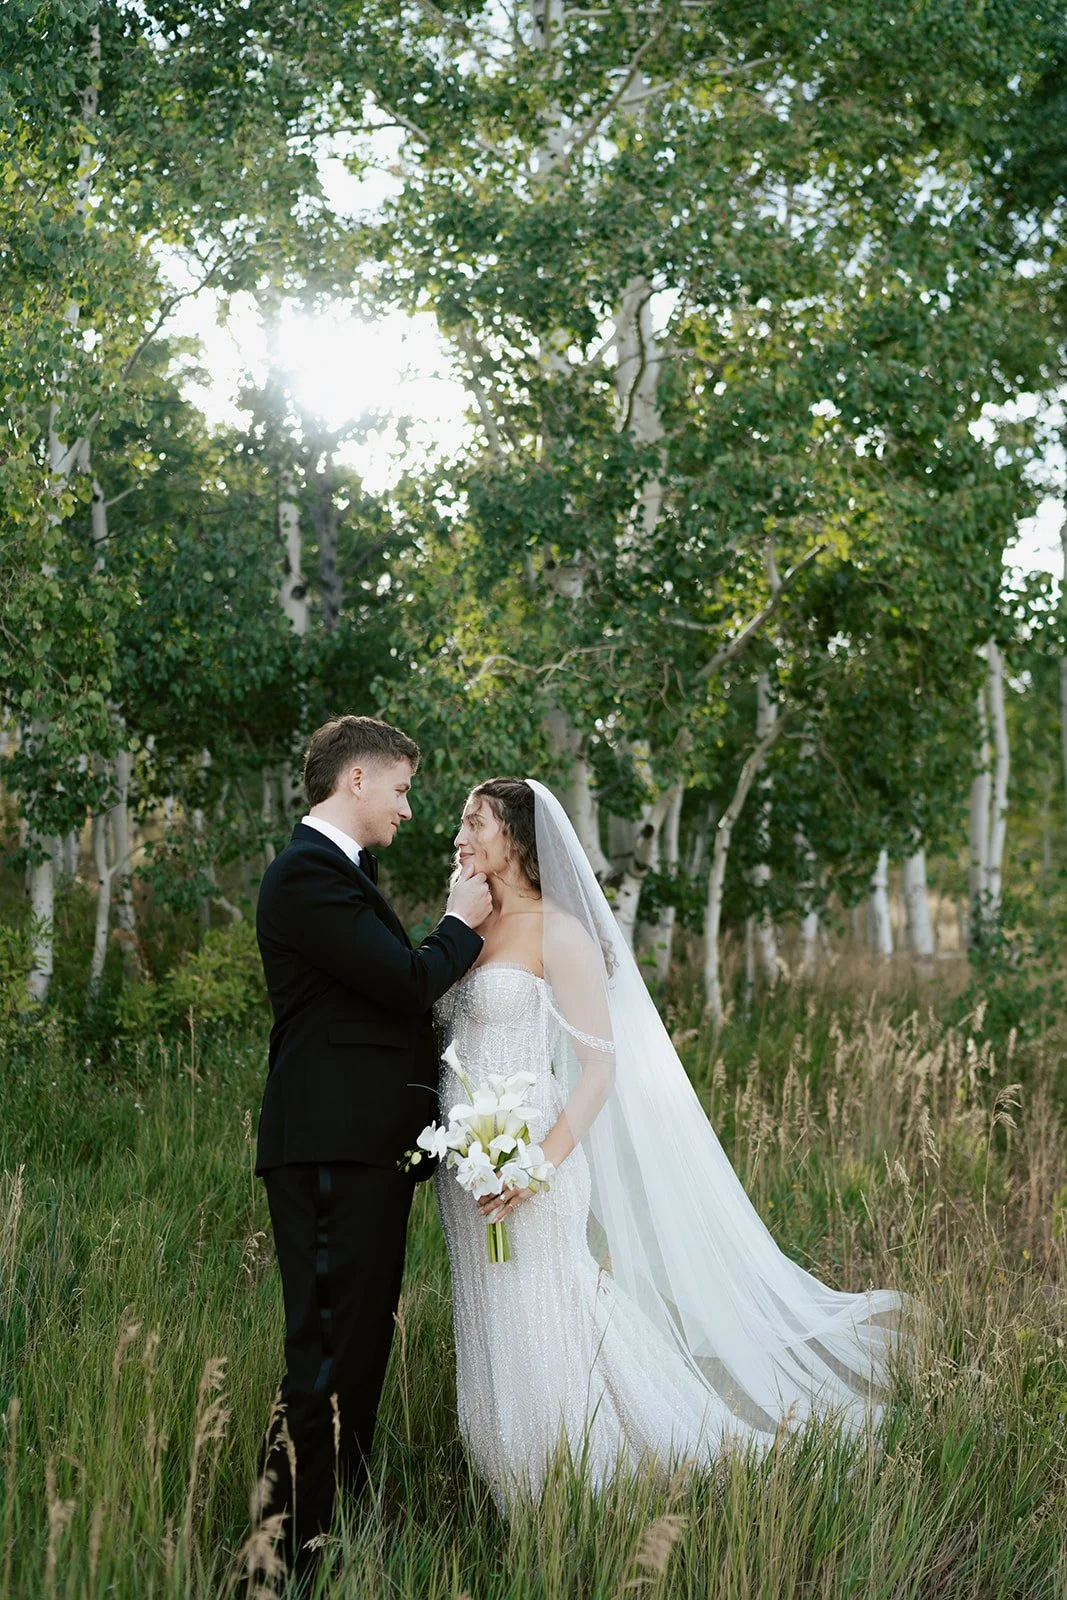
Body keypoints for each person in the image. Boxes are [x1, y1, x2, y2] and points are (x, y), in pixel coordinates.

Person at [433, 777, 906, 1509]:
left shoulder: (559, 930)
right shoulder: (470, 920)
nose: (460, 835)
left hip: (530, 1167)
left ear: (520, 839)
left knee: (548, 1324)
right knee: (493, 1325)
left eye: (476, 822)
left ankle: (572, 1484)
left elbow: (598, 1069)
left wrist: (533, 1167)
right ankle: (506, 1479)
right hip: (469, 1170)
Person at [254, 716, 491, 1580]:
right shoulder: (304, 878)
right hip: (326, 1151)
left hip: (362, 1153)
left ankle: (324, 1540)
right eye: (400, 789)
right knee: (323, 1356)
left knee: (357, 1352)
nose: (407, 808)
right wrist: (459, 922)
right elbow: (406, 983)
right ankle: (276, 1565)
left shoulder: (346, 876)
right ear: (354, 780)